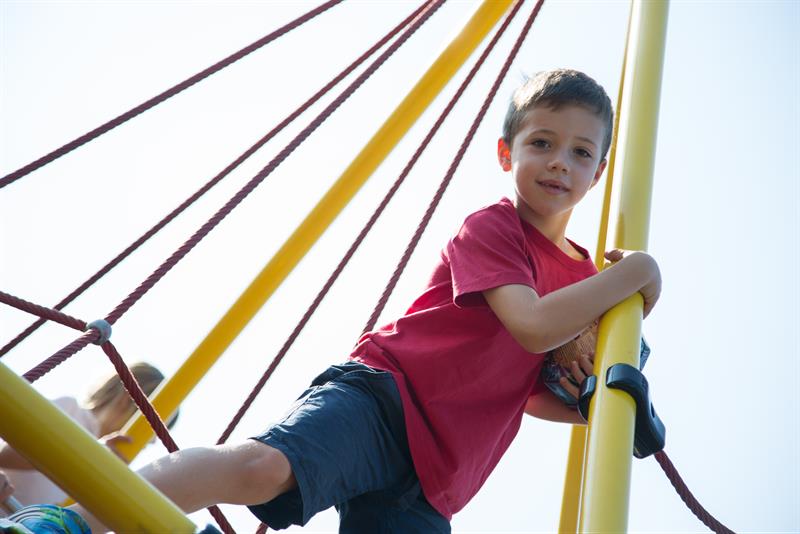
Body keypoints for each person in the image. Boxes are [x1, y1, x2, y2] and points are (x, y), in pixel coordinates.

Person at [13, 68, 661, 533]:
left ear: (599, 171)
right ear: (506, 153)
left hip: (440, 480)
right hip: (387, 399)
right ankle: (72, 521)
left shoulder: (581, 282)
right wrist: (642, 274)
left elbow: (522, 386)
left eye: (580, 153)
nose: (559, 164)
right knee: (264, 469)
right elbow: (529, 326)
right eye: (541, 143)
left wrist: (594, 404)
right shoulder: (494, 227)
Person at [0, 362, 175, 508]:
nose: (152, 441)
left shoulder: (113, 468)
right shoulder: (71, 412)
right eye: (155, 427)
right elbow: (7, 455)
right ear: (126, 400)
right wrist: (90, 454)